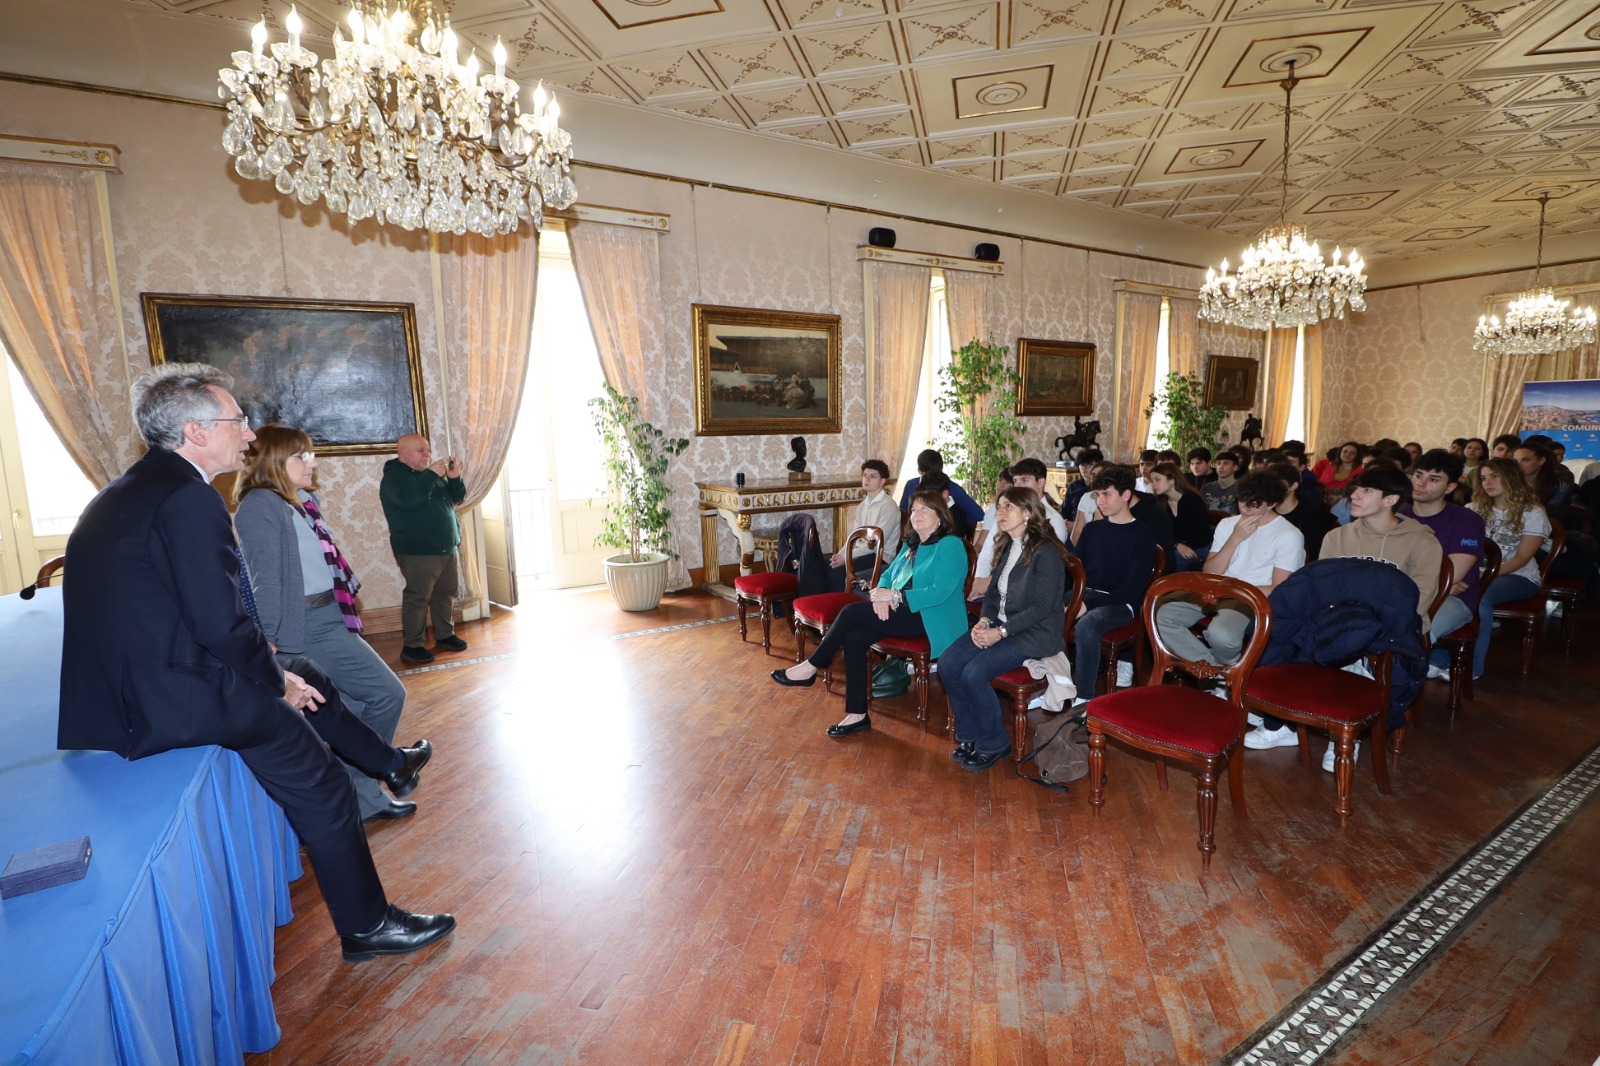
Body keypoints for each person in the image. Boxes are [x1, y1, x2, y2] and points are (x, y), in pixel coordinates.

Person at [58, 363, 454, 962]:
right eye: (236, 420)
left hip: (142, 683)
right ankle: (368, 926)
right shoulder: (190, 498)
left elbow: (196, 611)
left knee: (304, 683)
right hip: (173, 694)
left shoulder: (141, 487)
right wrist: (275, 684)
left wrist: (275, 669)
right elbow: (218, 622)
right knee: (325, 791)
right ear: (195, 431)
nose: (247, 434)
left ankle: (388, 767)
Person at [235, 424, 419, 821]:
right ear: (273, 461)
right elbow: (265, 581)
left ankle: (365, 795)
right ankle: (375, 773)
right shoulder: (260, 506)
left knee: (351, 707)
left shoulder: (299, 501)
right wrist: (268, 642)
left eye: (310, 453)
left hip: (327, 614)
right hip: (304, 625)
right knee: (387, 694)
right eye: (300, 455)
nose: (311, 462)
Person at [770, 491, 969, 737]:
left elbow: (940, 592)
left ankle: (812, 665)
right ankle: (857, 715)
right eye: (914, 510)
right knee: (854, 636)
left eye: (924, 510)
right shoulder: (911, 544)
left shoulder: (951, 545)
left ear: (940, 516)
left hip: (931, 618)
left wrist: (894, 597)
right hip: (901, 610)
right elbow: (888, 574)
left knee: (851, 611)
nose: (916, 515)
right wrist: (880, 594)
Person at [942, 488, 1070, 770]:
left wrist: (998, 633)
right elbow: (993, 595)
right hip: (1002, 623)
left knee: (974, 673)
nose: (999, 512)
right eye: (998, 506)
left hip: (1036, 632)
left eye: (1008, 507)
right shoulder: (1010, 544)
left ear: (1027, 512)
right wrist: (985, 621)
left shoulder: (1045, 551)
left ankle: (994, 743)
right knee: (948, 664)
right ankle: (970, 736)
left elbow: (1042, 608)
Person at [1163, 470, 1305, 684]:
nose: (1246, 508)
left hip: (1252, 596)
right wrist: (1235, 538)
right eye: (1242, 501)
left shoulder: (1288, 535)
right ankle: (1220, 673)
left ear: (1272, 503)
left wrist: (1232, 591)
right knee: (1162, 613)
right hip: (1217, 590)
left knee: (1222, 634)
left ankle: (1225, 676)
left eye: (1255, 504)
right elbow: (1210, 572)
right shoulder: (1228, 525)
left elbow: (1279, 587)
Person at [1067, 465, 1160, 705]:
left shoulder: (1142, 535)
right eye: (1098, 495)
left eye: (1107, 494)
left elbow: (1131, 590)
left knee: (1087, 624)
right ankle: (1051, 680)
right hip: (1087, 594)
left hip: (1121, 602)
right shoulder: (1092, 529)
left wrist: (1086, 603)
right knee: (1043, 609)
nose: (1100, 501)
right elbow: (1075, 571)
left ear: (1126, 495)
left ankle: (1083, 697)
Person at [380, 434, 467, 664]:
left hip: (446, 546)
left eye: (428, 449)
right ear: (404, 453)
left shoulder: (431, 476)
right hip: (418, 551)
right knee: (417, 598)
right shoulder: (394, 478)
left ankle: (445, 635)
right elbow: (411, 500)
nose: (427, 454)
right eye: (421, 450)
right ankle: (413, 646)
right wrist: (431, 475)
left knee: (444, 594)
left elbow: (456, 498)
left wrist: (454, 478)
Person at [1320, 464, 1444, 624]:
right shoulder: (1335, 537)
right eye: (1356, 488)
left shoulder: (1423, 542)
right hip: (1338, 623)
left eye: (1367, 490)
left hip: (1393, 629)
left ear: (1390, 499)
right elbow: (1322, 588)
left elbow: (1418, 601)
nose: (1354, 496)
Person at [1402, 449, 1486, 679]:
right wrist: (1438, 579)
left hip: (1452, 600)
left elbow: (1454, 575)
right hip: (1403, 594)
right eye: (1418, 475)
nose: (1421, 483)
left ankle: (1394, 690)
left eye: (1434, 479)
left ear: (1450, 488)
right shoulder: (1399, 516)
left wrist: (1443, 582)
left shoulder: (1467, 520)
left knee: (1411, 631)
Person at [1469, 458, 1553, 679]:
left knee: (1481, 596)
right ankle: (1439, 659)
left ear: (1511, 477)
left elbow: (1523, 558)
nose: (1487, 482)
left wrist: (1483, 576)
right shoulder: (1473, 508)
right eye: (1484, 478)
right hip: (1475, 573)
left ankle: (1472, 667)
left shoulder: (1532, 512)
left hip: (1519, 576)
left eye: (1494, 476)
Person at [829, 459, 902, 591]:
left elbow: (874, 545)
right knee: (826, 565)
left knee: (838, 573)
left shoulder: (888, 506)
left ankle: (841, 608)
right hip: (862, 553)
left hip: (880, 558)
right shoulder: (862, 505)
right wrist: (840, 555)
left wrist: (846, 558)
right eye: (865, 475)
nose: (867, 479)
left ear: (883, 481)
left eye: (872, 476)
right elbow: (852, 537)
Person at [898, 448, 984, 526]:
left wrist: (953, 520)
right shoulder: (911, 485)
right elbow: (903, 515)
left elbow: (978, 514)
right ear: (920, 472)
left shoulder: (951, 488)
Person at [1268, 460, 1333, 562]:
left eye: (1278, 483)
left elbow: (1315, 557)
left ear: (1294, 485)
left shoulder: (1315, 517)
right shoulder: (1264, 513)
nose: (1271, 489)